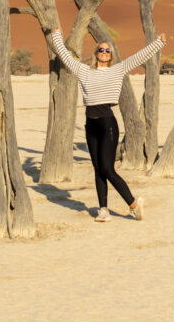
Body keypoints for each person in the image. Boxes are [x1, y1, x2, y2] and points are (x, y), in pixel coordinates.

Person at [48, 27, 166, 222]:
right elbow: (65, 57)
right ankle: (103, 210)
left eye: (107, 50)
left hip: (107, 123)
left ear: (111, 56)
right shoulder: (83, 70)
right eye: (100, 50)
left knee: (107, 169)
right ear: (95, 54)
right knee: (97, 168)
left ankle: (134, 204)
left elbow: (138, 57)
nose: (104, 52)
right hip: (90, 124)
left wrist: (158, 43)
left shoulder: (117, 70)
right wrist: (57, 36)